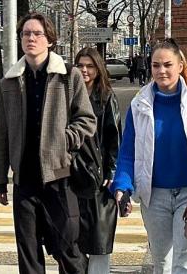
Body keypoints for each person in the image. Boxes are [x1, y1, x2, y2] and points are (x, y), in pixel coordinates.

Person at [0, 12, 96, 274]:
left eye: (37, 33)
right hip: (24, 180)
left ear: (49, 39)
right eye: (26, 34)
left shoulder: (68, 76)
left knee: (67, 247)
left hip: (59, 176)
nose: (31, 38)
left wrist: (64, 140)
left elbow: (87, 120)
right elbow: (1, 134)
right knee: (28, 252)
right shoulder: (8, 83)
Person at [112, 38, 187, 274]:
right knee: (162, 262)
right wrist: (122, 186)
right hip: (154, 196)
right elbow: (128, 153)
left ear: (180, 66)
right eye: (156, 65)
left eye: (167, 65)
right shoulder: (138, 105)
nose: (161, 71)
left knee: (185, 259)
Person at [74, 47, 122, 274]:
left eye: (90, 66)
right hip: (72, 174)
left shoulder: (106, 97)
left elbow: (115, 137)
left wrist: (112, 171)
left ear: (98, 69)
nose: (84, 70)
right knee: (72, 241)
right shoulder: (67, 95)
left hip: (99, 179)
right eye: (80, 65)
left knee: (99, 240)